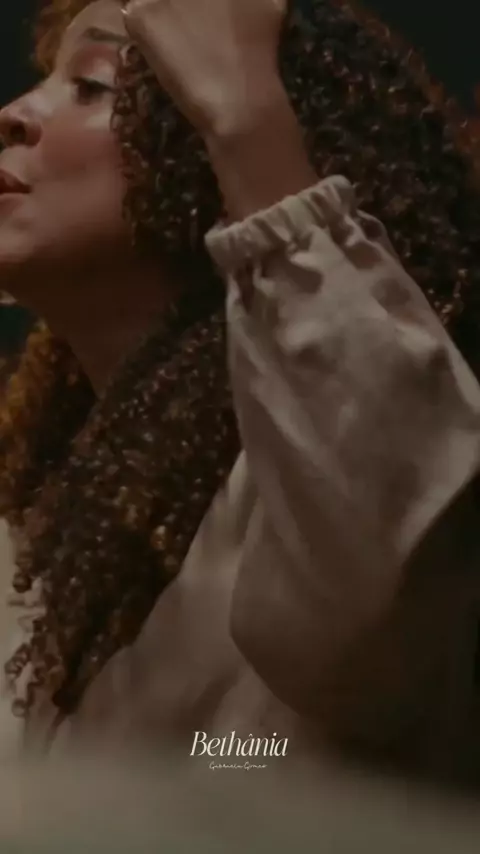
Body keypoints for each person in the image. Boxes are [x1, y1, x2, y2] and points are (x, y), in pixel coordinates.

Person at [0, 0, 479, 786]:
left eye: (90, 85)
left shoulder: (331, 492)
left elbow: (387, 560)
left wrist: (252, 128)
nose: (15, 113)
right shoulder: (55, 542)